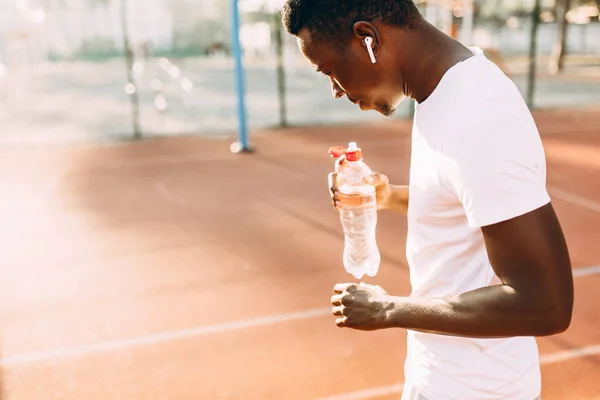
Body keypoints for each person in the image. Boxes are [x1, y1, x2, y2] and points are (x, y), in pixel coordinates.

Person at [281, 1, 574, 399]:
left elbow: (546, 302)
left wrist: (388, 310)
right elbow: (464, 203)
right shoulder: (440, 88)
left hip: (481, 389)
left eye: (330, 71)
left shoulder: (479, 115)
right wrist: (389, 196)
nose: (335, 90)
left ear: (368, 38)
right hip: (439, 376)